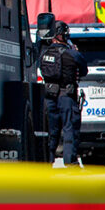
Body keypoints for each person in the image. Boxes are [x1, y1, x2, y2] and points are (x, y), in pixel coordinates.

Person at [39, 20, 88, 168]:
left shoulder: (44, 53)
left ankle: (48, 160)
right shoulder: (72, 53)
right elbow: (84, 71)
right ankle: (70, 162)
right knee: (69, 129)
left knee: (51, 131)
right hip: (67, 96)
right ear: (62, 35)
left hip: (49, 97)